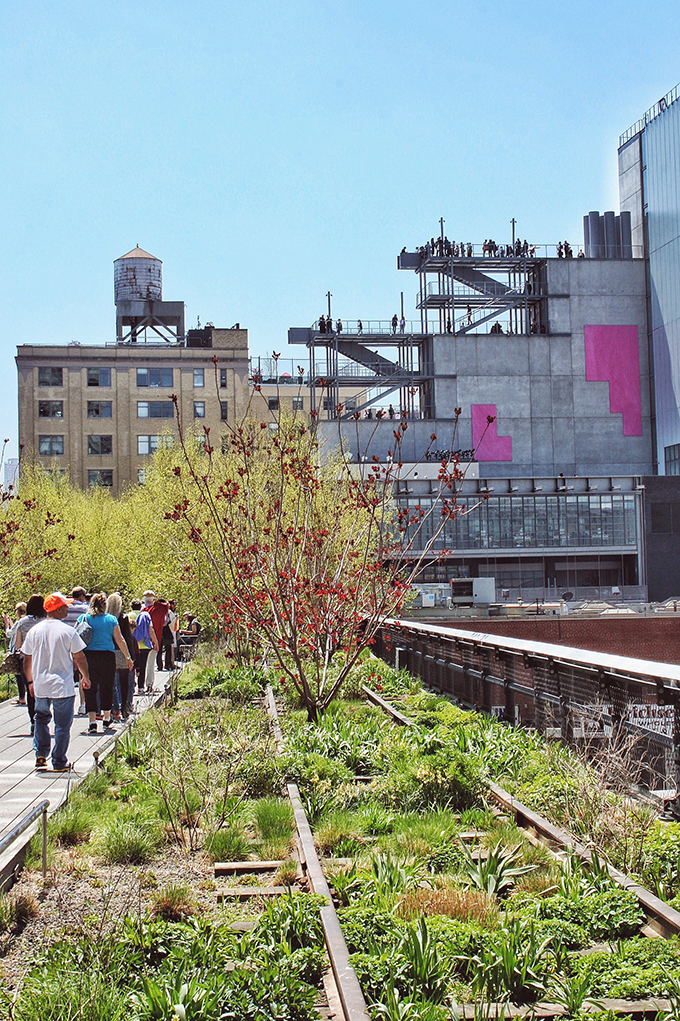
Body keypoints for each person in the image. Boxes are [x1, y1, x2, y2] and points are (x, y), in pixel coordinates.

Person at [22, 592, 90, 772]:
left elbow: (27, 659)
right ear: (58, 609)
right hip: (63, 685)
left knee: (41, 719)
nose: (68, 608)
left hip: (40, 684)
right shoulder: (68, 631)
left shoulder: (34, 631)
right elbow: (80, 657)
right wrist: (85, 676)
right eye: (65, 606)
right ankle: (59, 761)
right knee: (62, 725)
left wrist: (30, 682)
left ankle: (41, 755)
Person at [81, 593, 133, 734]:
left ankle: (92, 721)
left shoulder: (84, 618)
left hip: (88, 656)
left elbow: (75, 636)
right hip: (107, 656)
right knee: (107, 687)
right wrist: (128, 657)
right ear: (105, 605)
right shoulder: (110, 619)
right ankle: (106, 718)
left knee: (90, 688)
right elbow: (120, 639)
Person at [15, 594, 46, 736]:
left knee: (30, 689)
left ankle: (33, 720)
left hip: (26, 659)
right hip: (43, 658)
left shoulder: (22, 622)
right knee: (43, 688)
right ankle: (43, 717)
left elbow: (17, 644)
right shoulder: (46, 622)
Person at [106, 593, 135, 720]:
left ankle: (113, 708)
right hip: (122, 651)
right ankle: (124, 707)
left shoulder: (105, 618)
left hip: (109, 651)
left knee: (111, 682)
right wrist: (130, 656)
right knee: (124, 682)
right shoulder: (123, 618)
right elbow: (127, 637)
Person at [65, 587, 90, 715]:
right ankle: (83, 704)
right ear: (81, 597)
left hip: (64, 644)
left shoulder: (65, 609)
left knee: (67, 673)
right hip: (79, 644)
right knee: (82, 673)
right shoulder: (85, 609)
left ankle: (66, 701)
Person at [131, 597, 158, 694]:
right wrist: (155, 642)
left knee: (132, 667)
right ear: (141, 607)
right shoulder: (145, 616)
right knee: (143, 667)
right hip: (144, 646)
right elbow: (150, 630)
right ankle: (141, 688)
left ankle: (131, 686)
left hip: (132, 646)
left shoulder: (128, 616)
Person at [4, 602, 27, 705]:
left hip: (18, 651)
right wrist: (11, 623)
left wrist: (6, 625)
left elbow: (9, 634)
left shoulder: (20, 622)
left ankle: (22, 697)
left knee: (19, 675)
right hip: (26, 650)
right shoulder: (26, 621)